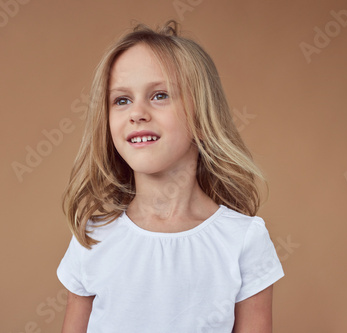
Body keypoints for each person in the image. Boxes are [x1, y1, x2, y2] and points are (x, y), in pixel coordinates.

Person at [56, 19, 284, 333]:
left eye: (160, 95)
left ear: (202, 117)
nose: (137, 113)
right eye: (122, 100)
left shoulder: (243, 241)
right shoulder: (93, 237)